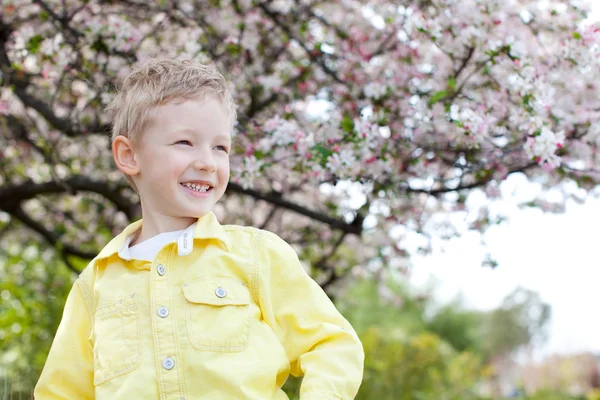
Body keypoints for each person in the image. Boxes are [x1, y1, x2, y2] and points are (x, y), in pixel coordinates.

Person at [34, 58, 364, 400]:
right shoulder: (96, 284)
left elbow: (330, 342)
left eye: (220, 147)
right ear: (129, 155)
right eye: (185, 143)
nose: (207, 162)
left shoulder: (254, 255)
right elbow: (60, 392)